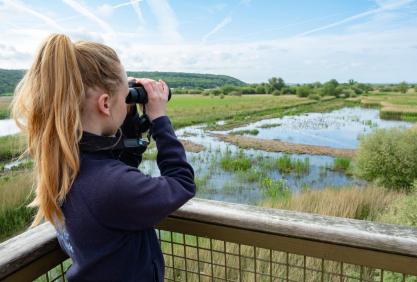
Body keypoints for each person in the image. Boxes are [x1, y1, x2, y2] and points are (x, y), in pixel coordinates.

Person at [11, 33, 196, 281]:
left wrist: (129, 121)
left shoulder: (64, 164)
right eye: (125, 96)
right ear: (105, 104)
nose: (127, 101)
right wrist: (159, 119)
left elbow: (113, 167)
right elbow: (182, 182)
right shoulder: (110, 185)